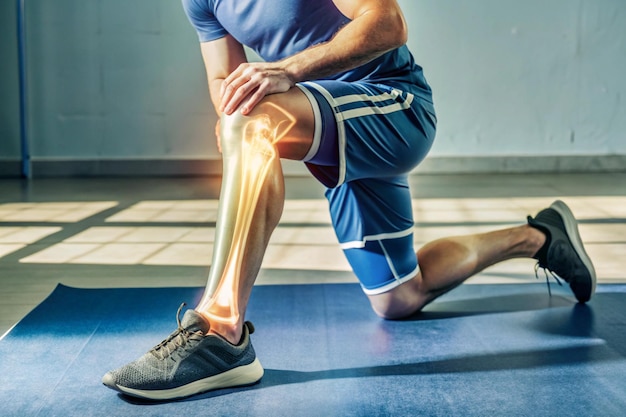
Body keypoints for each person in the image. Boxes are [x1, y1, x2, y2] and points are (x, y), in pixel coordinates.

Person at [102, 0, 596, 401]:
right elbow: (222, 79)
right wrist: (238, 115)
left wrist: (283, 76)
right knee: (398, 298)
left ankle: (219, 330)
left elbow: (388, 22)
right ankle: (540, 235)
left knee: (252, 124)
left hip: (393, 106)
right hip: (332, 126)